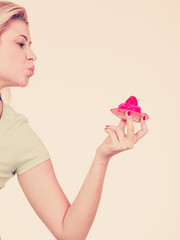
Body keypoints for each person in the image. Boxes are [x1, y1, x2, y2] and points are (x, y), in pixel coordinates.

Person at [0, 1, 148, 240]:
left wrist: (103, 156)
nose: (32, 55)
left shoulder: (18, 136)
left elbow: (69, 232)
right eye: (20, 44)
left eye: (30, 45)